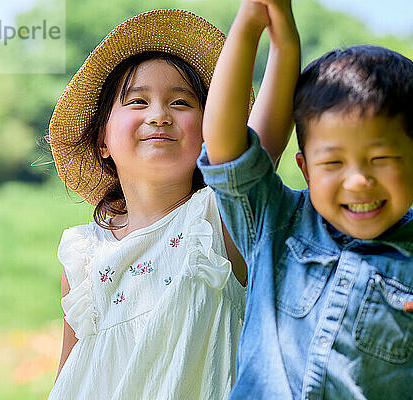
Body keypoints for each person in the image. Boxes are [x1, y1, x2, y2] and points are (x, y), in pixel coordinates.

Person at [198, 0, 413, 399]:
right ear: (306, 167)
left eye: (380, 159)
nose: (359, 180)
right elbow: (225, 146)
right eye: (333, 162)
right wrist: (248, 27)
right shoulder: (274, 223)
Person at [46, 8, 299, 400]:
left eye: (181, 103)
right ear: (102, 142)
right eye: (137, 102)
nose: (159, 115)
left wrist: (271, 39)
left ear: (209, 133)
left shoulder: (217, 218)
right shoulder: (84, 255)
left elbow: (265, 140)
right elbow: (68, 378)